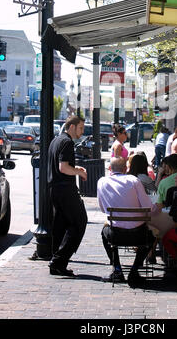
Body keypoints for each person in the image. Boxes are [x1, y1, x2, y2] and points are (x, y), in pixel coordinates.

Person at [97, 157, 157, 287]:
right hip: (138, 234)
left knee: (104, 232)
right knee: (151, 236)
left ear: (110, 169)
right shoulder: (134, 181)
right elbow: (147, 207)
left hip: (115, 235)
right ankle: (134, 270)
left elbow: (103, 209)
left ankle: (117, 268)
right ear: (126, 169)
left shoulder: (102, 182)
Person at [47, 116, 88, 277]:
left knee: (61, 225)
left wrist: (75, 168)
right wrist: (78, 172)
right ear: (71, 127)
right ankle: (58, 261)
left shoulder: (55, 141)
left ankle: (57, 262)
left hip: (55, 190)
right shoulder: (67, 142)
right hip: (65, 190)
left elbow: (61, 166)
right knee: (79, 222)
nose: (82, 132)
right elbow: (63, 168)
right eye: (80, 128)